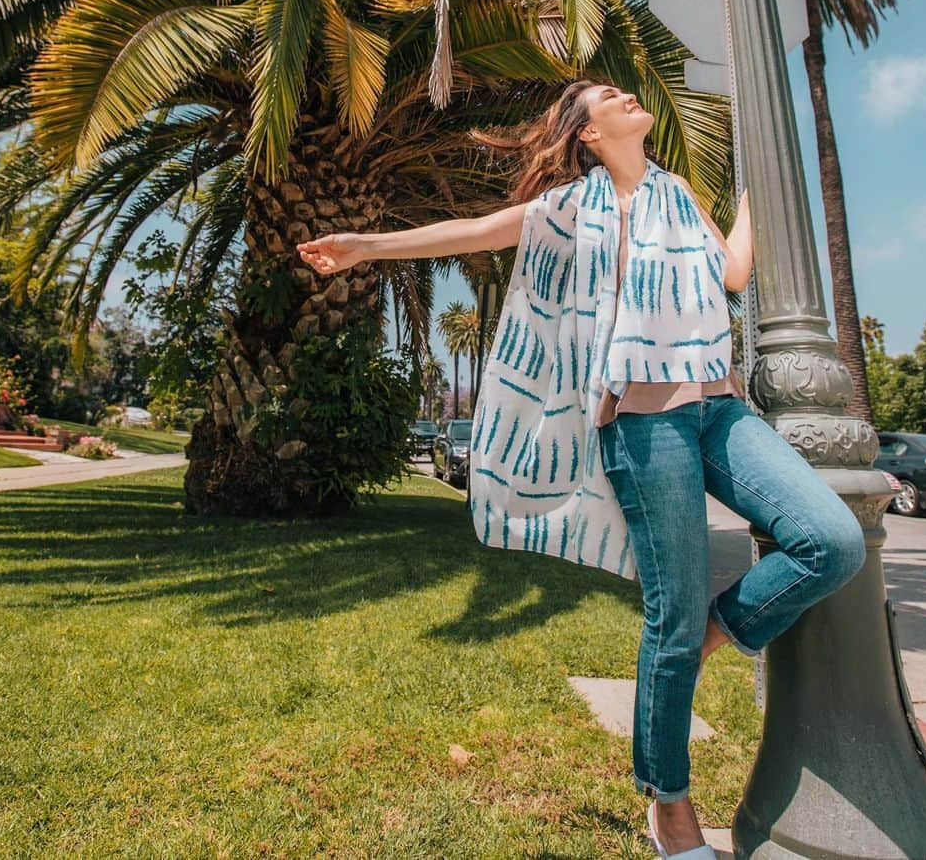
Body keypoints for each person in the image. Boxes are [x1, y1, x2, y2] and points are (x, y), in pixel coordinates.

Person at [297, 79, 866, 859]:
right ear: (587, 134)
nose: (629, 95)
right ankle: (669, 805)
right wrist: (366, 246)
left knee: (830, 541)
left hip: (719, 408)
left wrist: (753, 204)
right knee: (668, 613)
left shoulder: (678, 194)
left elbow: (731, 275)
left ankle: (705, 635)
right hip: (641, 422)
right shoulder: (569, 210)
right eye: (608, 95)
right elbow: (473, 231)